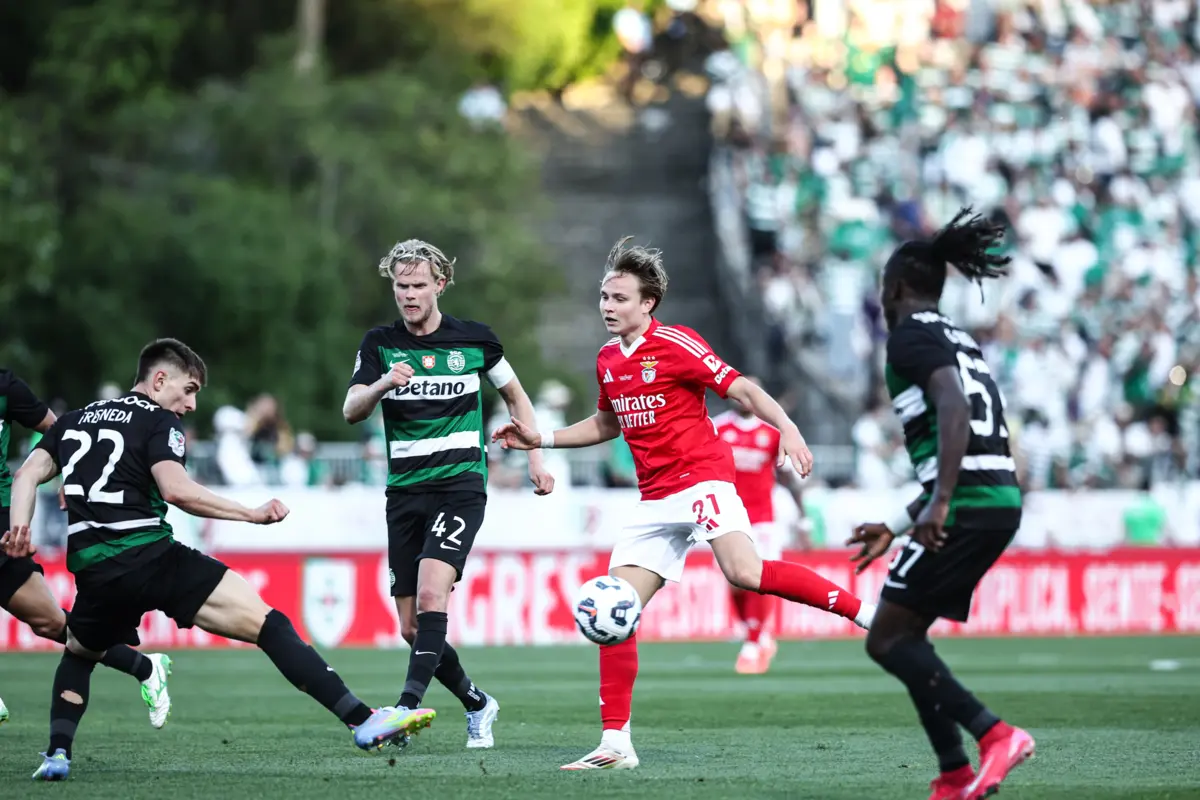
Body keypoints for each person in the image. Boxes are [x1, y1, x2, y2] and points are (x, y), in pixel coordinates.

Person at [493, 236, 875, 770]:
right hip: (654, 499)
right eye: (604, 297)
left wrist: (787, 428)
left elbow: (740, 389)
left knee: (745, 572)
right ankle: (615, 745)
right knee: (614, 607)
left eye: (619, 298)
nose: (607, 306)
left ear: (647, 303)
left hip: (701, 481)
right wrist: (542, 440)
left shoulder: (677, 344)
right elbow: (608, 423)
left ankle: (866, 613)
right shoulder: (608, 359)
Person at [1, 339, 399, 781]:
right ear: (159, 379)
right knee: (269, 625)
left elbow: (26, 473)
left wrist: (20, 527)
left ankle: (57, 755)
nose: (190, 404)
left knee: (79, 651)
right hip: (151, 557)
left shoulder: (75, 420)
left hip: (95, 571)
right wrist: (249, 513)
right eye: (188, 390)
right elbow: (177, 490)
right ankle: (362, 720)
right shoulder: (159, 421)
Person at [845, 209, 1034, 800]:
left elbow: (953, 408)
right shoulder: (957, 337)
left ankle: (993, 734)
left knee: (887, 638)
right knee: (907, 635)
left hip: (968, 502)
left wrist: (941, 504)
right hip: (993, 497)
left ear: (897, 288)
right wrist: (900, 524)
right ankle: (953, 774)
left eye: (883, 283)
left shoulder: (910, 336)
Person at [344, 239, 554, 751]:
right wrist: (383, 386)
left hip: (459, 487)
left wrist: (535, 457)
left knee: (435, 593)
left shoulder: (475, 341)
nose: (409, 296)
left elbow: (515, 395)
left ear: (440, 284)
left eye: (418, 285)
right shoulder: (379, 344)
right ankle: (478, 703)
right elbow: (352, 408)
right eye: (401, 286)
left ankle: (406, 709)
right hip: (404, 494)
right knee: (413, 628)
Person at [0, 370, 171, 730]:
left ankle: (145, 666)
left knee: (49, 622)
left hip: (2, 522)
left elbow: (60, 433)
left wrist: (75, 473)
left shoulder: (6, 386)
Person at [712, 377, 812, 675]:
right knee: (734, 582)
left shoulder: (770, 434)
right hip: (727, 518)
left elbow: (785, 478)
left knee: (759, 579)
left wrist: (802, 519)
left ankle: (754, 642)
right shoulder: (718, 429)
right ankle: (755, 634)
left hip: (763, 519)